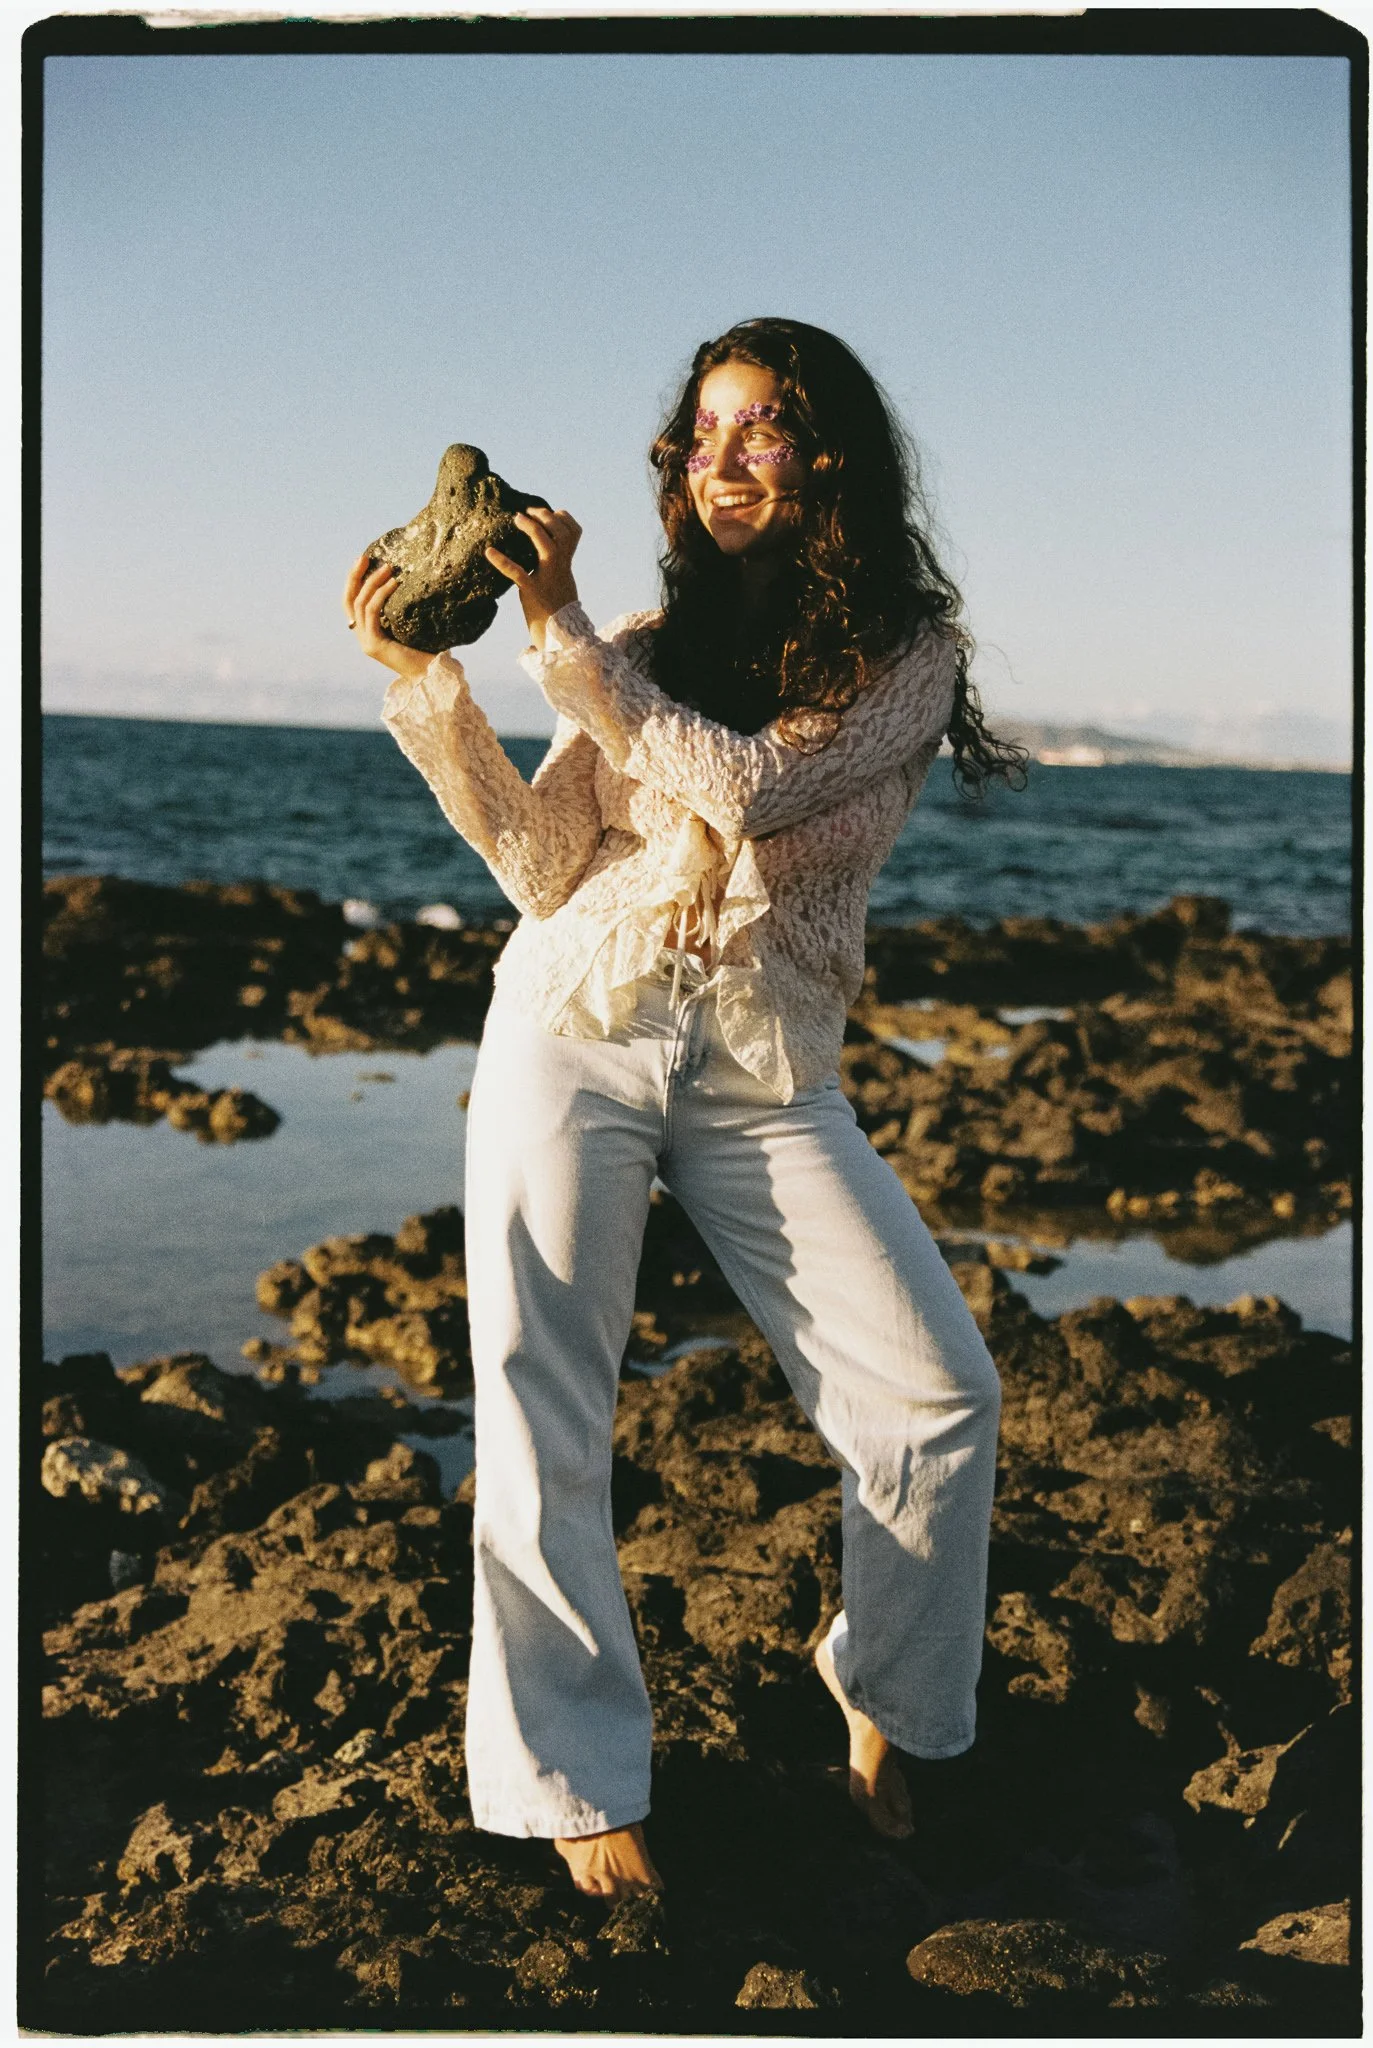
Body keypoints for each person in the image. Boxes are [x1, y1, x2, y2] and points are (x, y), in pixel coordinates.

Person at [343, 317, 1024, 1905]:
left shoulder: (908, 658)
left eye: (764, 427)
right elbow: (538, 865)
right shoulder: (639, 645)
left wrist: (564, 629)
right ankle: (572, 1784)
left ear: (829, 457)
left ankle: (885, 1691)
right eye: (702, 432)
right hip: (573, 1023)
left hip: (767, 1071)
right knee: (537, 1403)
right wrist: (429, 685)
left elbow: (752, 789)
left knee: (938, 1399)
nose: (722, 457)